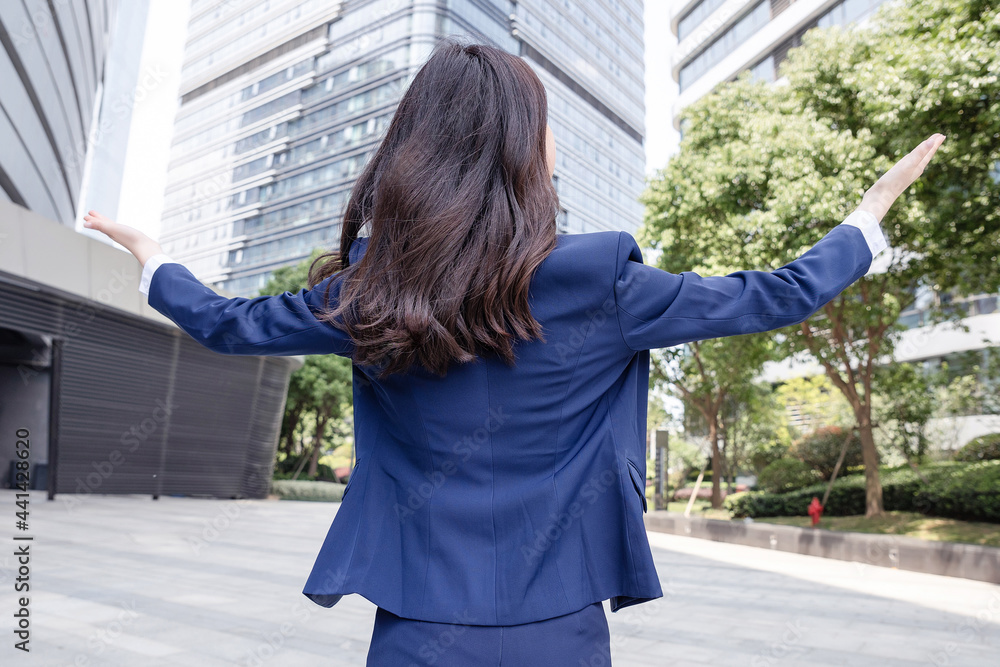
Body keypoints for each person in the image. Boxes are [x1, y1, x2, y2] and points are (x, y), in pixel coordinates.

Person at [84, 39, 945, 666]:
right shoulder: (601, 281)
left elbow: (230, 323)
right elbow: (777, 292)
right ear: (522, 148)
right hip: (559, 630)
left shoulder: (369, 292)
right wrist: (864, 219)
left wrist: (152, 258)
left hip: (417, 630)